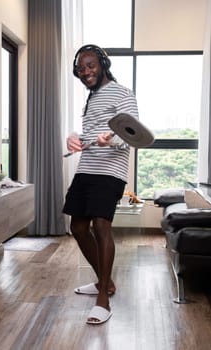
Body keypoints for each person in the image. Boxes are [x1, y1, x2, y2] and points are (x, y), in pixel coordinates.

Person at [63, 44, 139, 325]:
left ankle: (103, 301)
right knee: (78, 227)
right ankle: (104, 282)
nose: (86, 72)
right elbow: (89, 135)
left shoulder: (123, 93)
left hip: (110, 171)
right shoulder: (91, 97)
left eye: (91, 65)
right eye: (81, 69)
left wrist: (113, 138)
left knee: (100, 226)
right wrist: (74, 137)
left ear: (103, 64)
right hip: (87, 168)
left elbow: (132, 133)